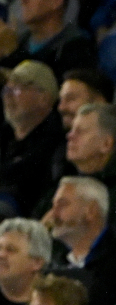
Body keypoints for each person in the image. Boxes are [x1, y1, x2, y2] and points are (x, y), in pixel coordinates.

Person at [45, 176, 116, 305]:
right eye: (53, 206)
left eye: (62, 205)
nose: (53, 214)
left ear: (91, 211)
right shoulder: (54, 262)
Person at [0, 0, 96, 79]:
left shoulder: (78, 47)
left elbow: (53, 90)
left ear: (56, 2)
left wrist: (12, 52)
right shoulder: (21, 41)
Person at [0, 60, 64, 216]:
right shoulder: (5, 134)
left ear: (43, 98)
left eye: (16, 89)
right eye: (6, 89)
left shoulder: (55, 139)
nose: (7, 96)